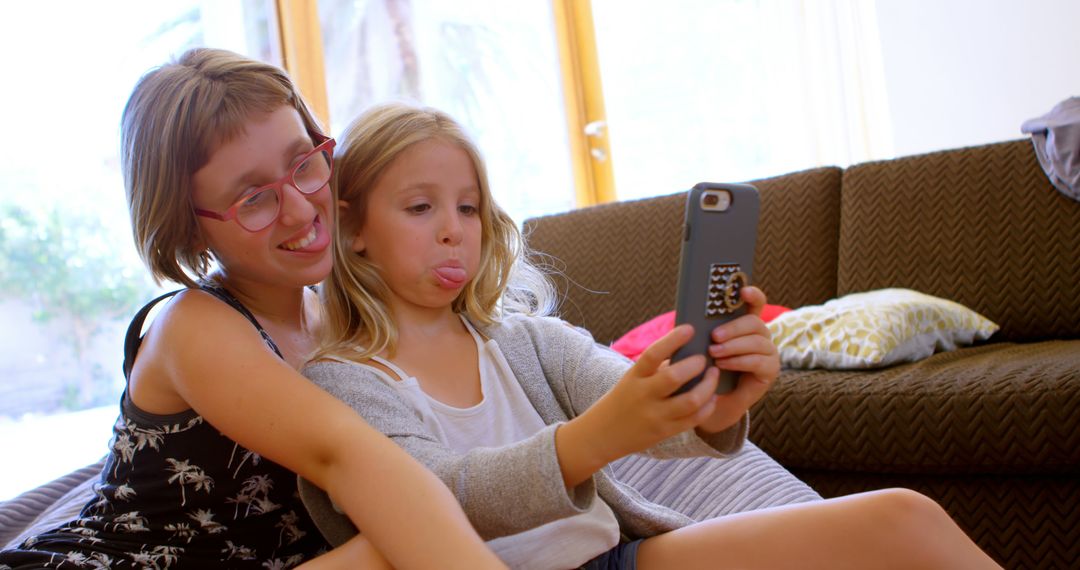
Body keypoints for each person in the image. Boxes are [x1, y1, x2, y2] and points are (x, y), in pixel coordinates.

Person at [298, 101, 1005, 569]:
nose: (454, 228)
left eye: (470, 208)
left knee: (902, 519)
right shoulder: (344, 380)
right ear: (354, 227)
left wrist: (715, 404)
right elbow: (440, 497)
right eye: (421, 207)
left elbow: (640, 408)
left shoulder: (527, 343)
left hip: (617, 557)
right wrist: (595, 438)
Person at [0, 50, 506, 570]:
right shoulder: (195, 326)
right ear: (189, 227)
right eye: (253, 199)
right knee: (407, 529)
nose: (301, 208)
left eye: (305, 164)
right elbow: (346, 456)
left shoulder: (338, 314)